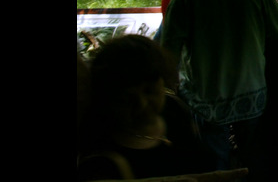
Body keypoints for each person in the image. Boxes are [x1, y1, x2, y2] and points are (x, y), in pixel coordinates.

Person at [160, 0, 278, 177]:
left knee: (216, 161)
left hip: (207, 97)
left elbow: (169, 51)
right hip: (251, 89)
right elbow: (276, 32)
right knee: (253, 156)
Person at [77, 35, 216, 181]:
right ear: (109, 99)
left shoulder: (174, 110)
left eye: (150, 91)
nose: (142, 103)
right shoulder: (103, 161)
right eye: (128, 98)